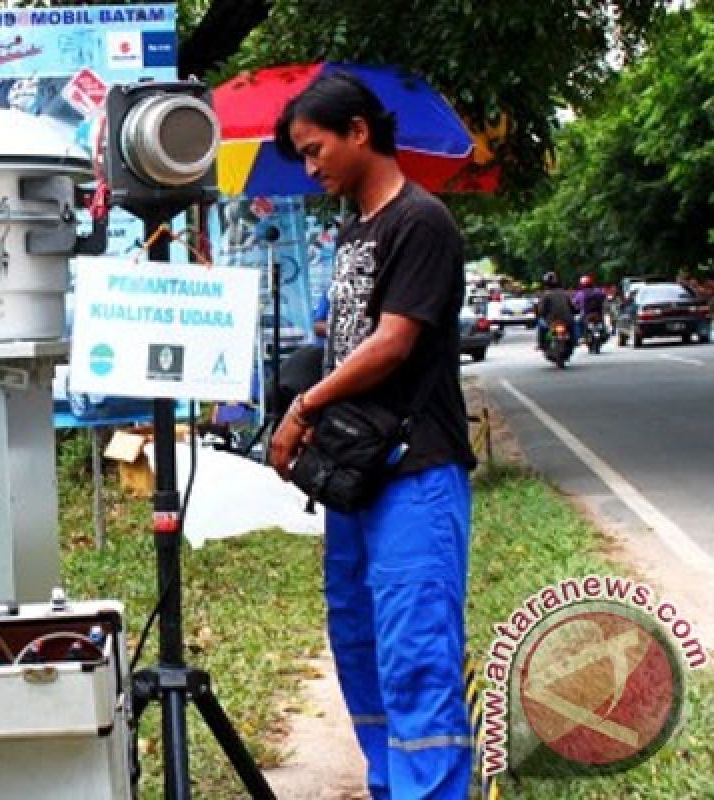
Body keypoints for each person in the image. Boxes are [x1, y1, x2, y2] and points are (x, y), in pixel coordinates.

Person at [269, 72, 475, 799]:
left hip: (416, 473)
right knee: (359, 642)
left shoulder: (421, 221)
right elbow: (347, 334)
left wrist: (302, 411)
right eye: (301, 155)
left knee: (416, 650)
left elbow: (391, 343)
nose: (311, 166)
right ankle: (391, 785)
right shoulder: (356, 228)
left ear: (359, 131)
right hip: (359, 479)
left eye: (316, 148)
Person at [537, 271, 577, 351]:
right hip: (566, 320)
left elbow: (541, 310)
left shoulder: (545, 295)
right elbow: (572, 307)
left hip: (552, 321)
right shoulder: (565, 294)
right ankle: (574, 341)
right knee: (573, 327)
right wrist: (575, 311)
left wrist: (540, 315)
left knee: (540, 324)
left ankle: (541, 344)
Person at [572, 273, 606, 341]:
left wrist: (576, 307)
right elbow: (604, 297)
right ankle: (604, 333)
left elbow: (574, 302)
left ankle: (580, 337)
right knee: (603, 323)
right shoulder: (598, 291)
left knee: (576, 322)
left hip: (586, 314)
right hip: (598, 314)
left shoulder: (580, 293)